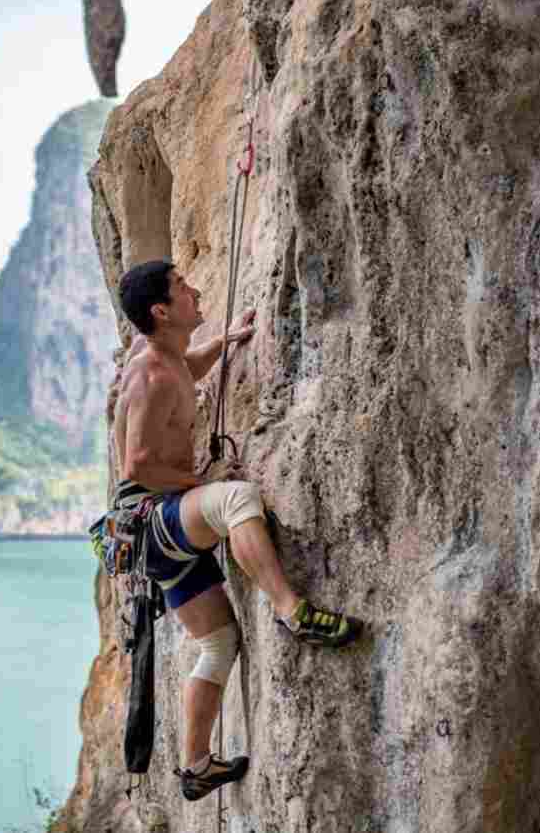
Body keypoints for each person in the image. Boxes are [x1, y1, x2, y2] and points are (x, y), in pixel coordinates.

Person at [112, 259, 362, 802]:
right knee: (236, 499)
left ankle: (196, 765)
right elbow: (137, 465)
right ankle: (293, 610)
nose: (195, 289)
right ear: (161, 310)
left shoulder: (162, 356)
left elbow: (186, 373)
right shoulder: (151, 373)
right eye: (181, 288)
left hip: (149, 535)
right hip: (153, 518)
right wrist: (203, 477)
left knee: (219, 641)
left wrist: (225, 342)